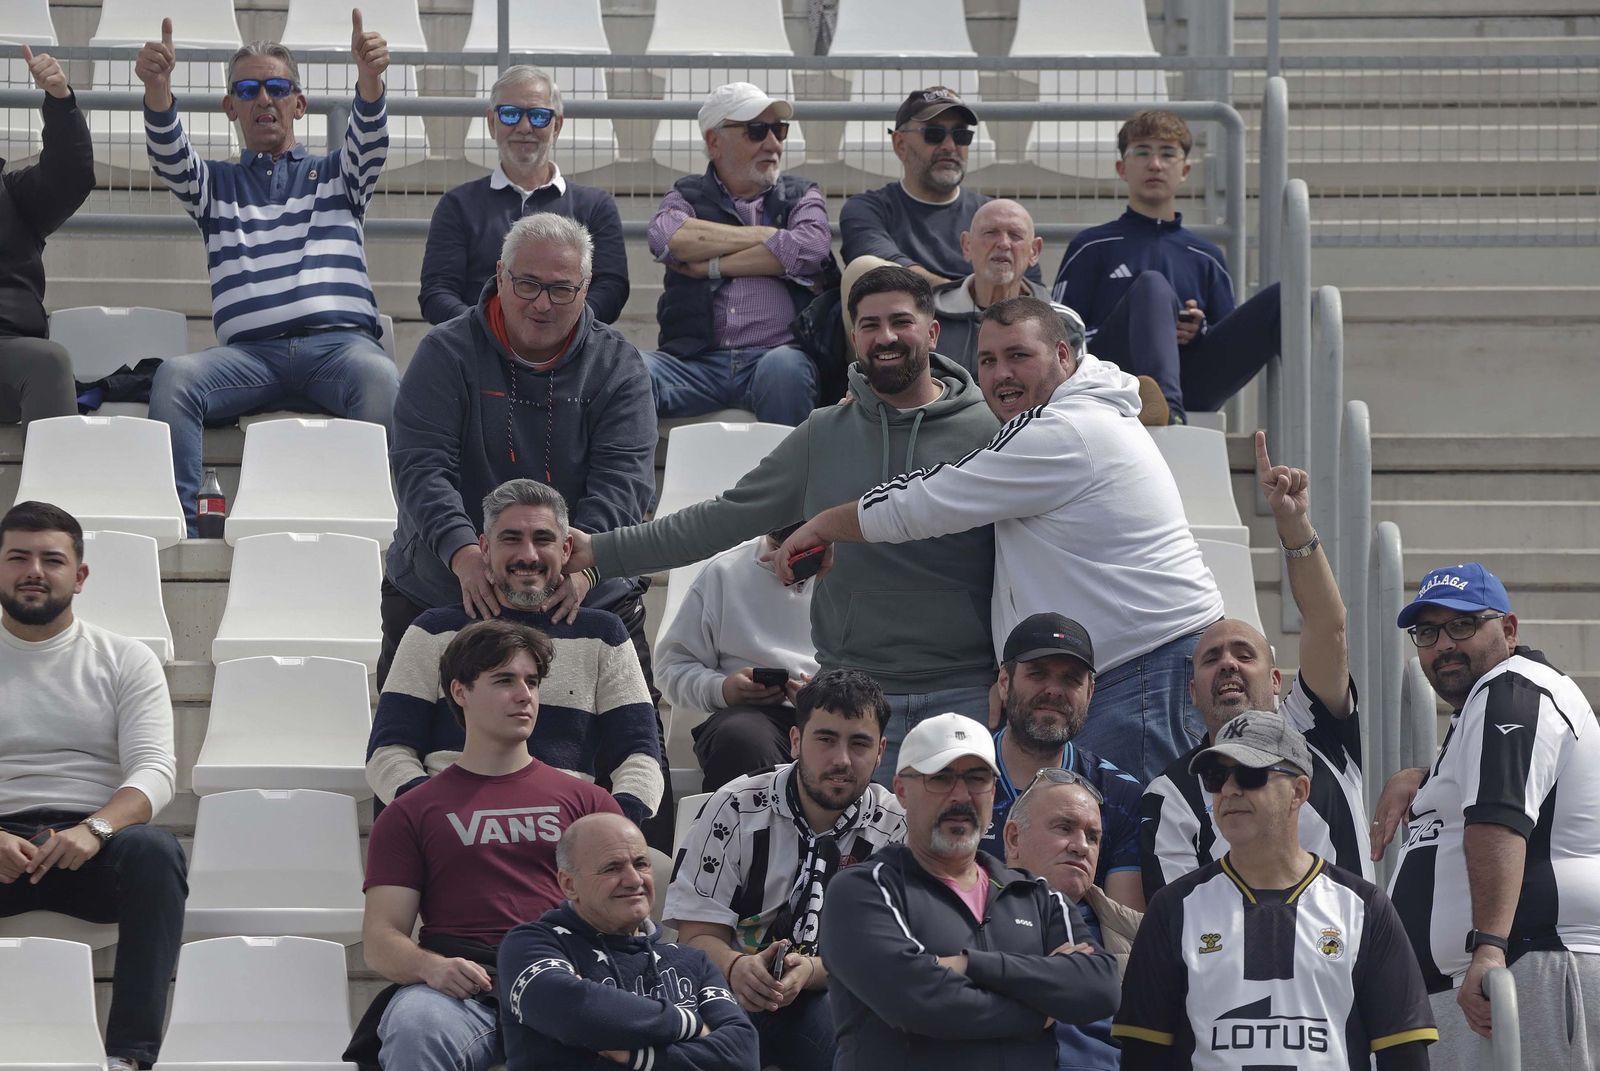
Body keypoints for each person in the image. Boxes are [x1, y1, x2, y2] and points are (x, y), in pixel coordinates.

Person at [566, 266, 1000, 779]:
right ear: (853, 337)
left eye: (900, 322)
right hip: (855, 698)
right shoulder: (823, 435)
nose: (885, 337)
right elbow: (721, 519)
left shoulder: (991, 429)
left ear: (932, 332)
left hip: (966, 691)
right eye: (868, 325)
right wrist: (598, 551)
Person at [773, 295, 1223, 782]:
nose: (1001, 373)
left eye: (1019, 356)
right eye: (987, 360)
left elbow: (926, 502)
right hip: (1138, 673)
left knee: (1148, 843)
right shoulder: (1080, 416)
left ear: (1064, 357)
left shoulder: (1061, 429)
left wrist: (821, 525)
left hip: (1144, 676)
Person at [137, 15, 401, 536]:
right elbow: (171, 160)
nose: (264, 99)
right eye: (248, 90)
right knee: (176, 379)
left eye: (277, 87)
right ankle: (187, 532)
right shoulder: (215, 184)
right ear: (229, 107)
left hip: (340, 350)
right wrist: (158, 91)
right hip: (248, 359)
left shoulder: (337, 176)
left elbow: (369, 143)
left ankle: (393, 533)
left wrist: (370, 82)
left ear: (299, 104)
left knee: (382, 379)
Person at [383, 210, 656, 703]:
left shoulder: (618, 366)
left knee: (635, 760)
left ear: (587, 287)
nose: (541, 303)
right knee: (410, 761)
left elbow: (624, 483)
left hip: (583, 596)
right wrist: (464, 554)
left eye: (561, 289)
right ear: (499, 276)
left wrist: (581, 568)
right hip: (447, 589)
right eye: (527, 284)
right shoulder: (444, 353)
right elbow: (421, 468)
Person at [356, 618, 624, 1071]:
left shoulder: (590, 802)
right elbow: (381, 939)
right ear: (459, 692)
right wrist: (432, 968)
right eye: (504, 680)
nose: (525, 695)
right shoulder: (411, 811)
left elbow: (622, 915)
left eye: (532, 682)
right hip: (459, 992)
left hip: (568, 981)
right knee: (414, 1025)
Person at [1113, 709, 1437, 1070]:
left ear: (1299, 791)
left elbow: (1404, 1055)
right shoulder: (1174, 907)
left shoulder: (1365, 908)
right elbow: (1143, 1054)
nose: (1230, 790)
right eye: (1216, 777)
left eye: (1251, 774)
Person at [1375, 563, 1600, 1065]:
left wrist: (1489, 948)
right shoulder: (1486, 705)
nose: (1444, 645)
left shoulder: (1510, 689)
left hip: (1524, 968)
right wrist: (1420, 775)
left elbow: (1499, 817)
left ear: (1510, 630)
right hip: (1493, 981)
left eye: (1462, 625)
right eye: (1428, 632)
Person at [820, 712, 1120, 1071]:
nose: (960, 795)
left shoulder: (1038, 896)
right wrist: (1037, 1012)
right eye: (941, 778)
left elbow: (1098, 987)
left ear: (992, 793)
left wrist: (968, 964)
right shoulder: (864, 889)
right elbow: (918, 1002)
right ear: (901, 789)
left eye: (976, 779)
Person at [1140, 431, 1368, 900]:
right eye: (1210, 659)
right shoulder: (1172, 796)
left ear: (1276, 679)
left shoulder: (1316, 731)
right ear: (1192, 692)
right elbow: (1180, 922)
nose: (1228, 664)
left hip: (1351, 961)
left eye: (1245, 655)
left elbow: (1328, 624)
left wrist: (1294, 524)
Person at [0, 502, 185, 1071]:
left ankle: (128, 1058)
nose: (34, 569)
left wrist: (97, 829)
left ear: (79, 576)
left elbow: (155, 769)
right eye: (17, 557)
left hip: (91, 845)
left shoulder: (126, 659)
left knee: (156, 852)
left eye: (52, 559)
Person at [369, 478, 662, 826]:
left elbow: (641, 759)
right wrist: (435, 818)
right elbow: (387, 752)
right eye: (511, 539)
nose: (528, 555)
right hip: (452, 831)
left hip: (564, 838)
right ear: (484, 549)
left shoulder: (604, 635)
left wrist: (605, 830)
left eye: (543, 539)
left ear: (567, 549)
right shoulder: (432, 630)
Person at [666, 669, 904, 1071]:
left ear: (881, 751)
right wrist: (737, 967)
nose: (842, 760)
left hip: (835, 995)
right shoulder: (734, 806)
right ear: (795, 741)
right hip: (727, 988)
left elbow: (888, 956)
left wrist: (810, 971)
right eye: (825, 739)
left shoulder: (897, 828)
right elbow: (696, 934)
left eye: (859, 743)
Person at [1051, 110, 1281, 419]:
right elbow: (1063, 337)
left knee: (1285, 298)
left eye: (1167, 153)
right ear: (1122, 168)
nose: (1155, 164)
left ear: (1185, 169)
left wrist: (1199, 329)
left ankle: (1303, 430)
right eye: (1142, 152)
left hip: (1192, 385)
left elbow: (1223, 342)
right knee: (1152, 287)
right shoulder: (1091, 246)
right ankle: (1167, 411)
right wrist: (1140, 321)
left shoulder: (1207, 255)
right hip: (1112, 380)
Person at [497, 813, 760, 1071]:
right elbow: (573, 1011)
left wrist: (640, 1058)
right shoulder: (530, 945)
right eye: (612, 868)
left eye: (641, 864)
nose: (634, 880)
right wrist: (686, 1023)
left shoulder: (694, 960)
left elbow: (742, 1055)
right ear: (569, 885)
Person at [644, 82, 834, 427]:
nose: (774, 144)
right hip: (693, 363)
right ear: (714, 141)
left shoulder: (801, 193)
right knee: (629, 371)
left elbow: (812, 249)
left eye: (779, 130)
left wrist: (712, 266)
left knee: (786, 370)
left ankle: (790, 483)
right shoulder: (686, 193)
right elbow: (666, 237)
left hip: (774, 358)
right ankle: (625, 483)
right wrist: (768, 237)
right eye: (756, 131)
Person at [420, 66, 628, 326]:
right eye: (510, 114)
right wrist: (487, 334)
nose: (524, 126)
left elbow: (611, 287)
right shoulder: (458, 206)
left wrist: (563, 333)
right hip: (477, 356)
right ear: (491, 123)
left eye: (539, 116)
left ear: (557, 125)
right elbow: (437, 292)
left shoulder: (596, 207)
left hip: (571, 357)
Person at [982, 613, 1146, 911]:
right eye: (1038, 674)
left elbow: (1124, 931)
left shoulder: (1120, 795)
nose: (1054, 690)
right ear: (1004, 683)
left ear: (1090, 692)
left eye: (1071, 679)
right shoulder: (958, 779)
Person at [654, 523, 819, 793]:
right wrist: (722, 689)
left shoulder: (857, 572)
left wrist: (828, 692)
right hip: (751, 717)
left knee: (852, 747)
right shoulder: (725, 571)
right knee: (740, 741)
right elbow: (671, 668)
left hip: (839, 714)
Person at [1005, 772, 1144, 1071]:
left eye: (1093, 837)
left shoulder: (1143, 938)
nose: (1081, 846)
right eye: (1064, 828)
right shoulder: (961, 918)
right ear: (1014, 839)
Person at [840, 86, 1039, 288]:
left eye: (961, 135)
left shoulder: (995, 217)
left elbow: (1030, 291)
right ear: (901, 144)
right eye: (934, 134)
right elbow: (878, 267)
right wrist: (959, 298)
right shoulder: (869, 209)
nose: (950, 146)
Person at [0, 45, 93, 427]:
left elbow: (70, 176)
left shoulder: (12, 195)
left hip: (6, 349)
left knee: (49, 361)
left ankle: (51, 489)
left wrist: (59, 101)